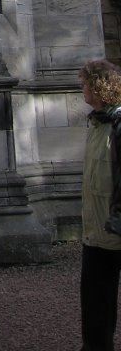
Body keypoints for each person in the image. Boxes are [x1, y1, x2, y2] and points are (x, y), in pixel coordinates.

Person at [79, 59, 121, 351]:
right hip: (96, 229)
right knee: (95, 300)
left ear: (97, 86)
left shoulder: (117, 125)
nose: (81, 89)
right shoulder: (96, 123)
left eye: (84, 83)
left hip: (117, 226)